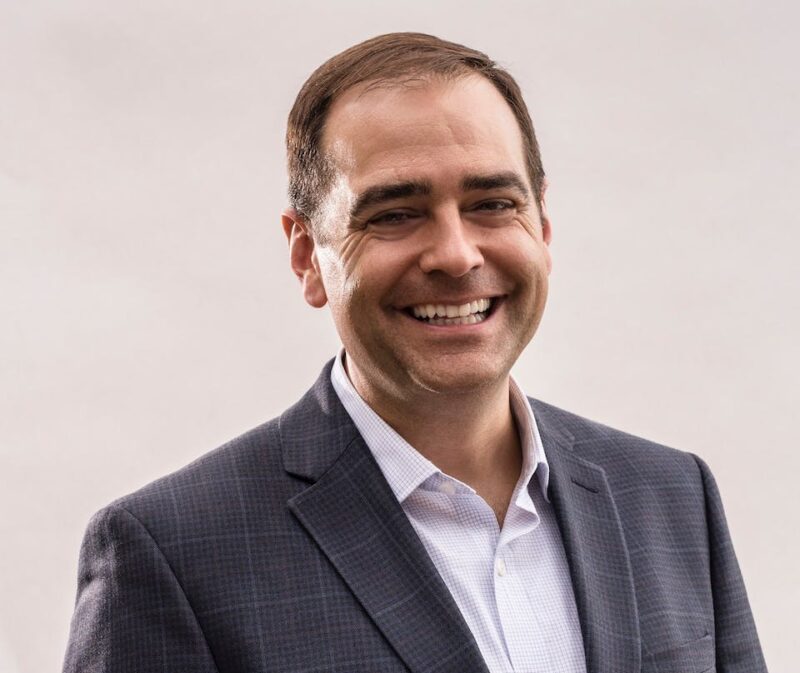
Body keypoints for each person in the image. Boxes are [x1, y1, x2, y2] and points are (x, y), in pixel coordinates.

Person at [63, 32, 767, 673]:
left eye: (493, 203)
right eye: (395, 213)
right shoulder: (173, 555)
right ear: (307, 254)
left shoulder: (672, 498)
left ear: (544, 225)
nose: (457, 255)